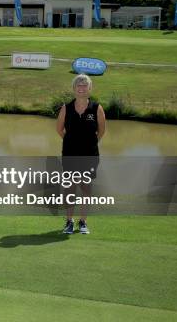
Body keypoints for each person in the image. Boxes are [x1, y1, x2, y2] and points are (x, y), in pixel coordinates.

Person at [56, 74, 106, 234]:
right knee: (70, 189)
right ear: (74, 89)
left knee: (86, 188)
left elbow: (102, 131)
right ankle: (69, 222)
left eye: (85, 85)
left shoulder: (97, 108)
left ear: (90, 88)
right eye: (79, 85)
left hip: (89, 156)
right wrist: (71, 142)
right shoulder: (66, 108)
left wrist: (90, 145)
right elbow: (59, 129)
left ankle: (83, 222)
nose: (81, 88)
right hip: (70, 155)